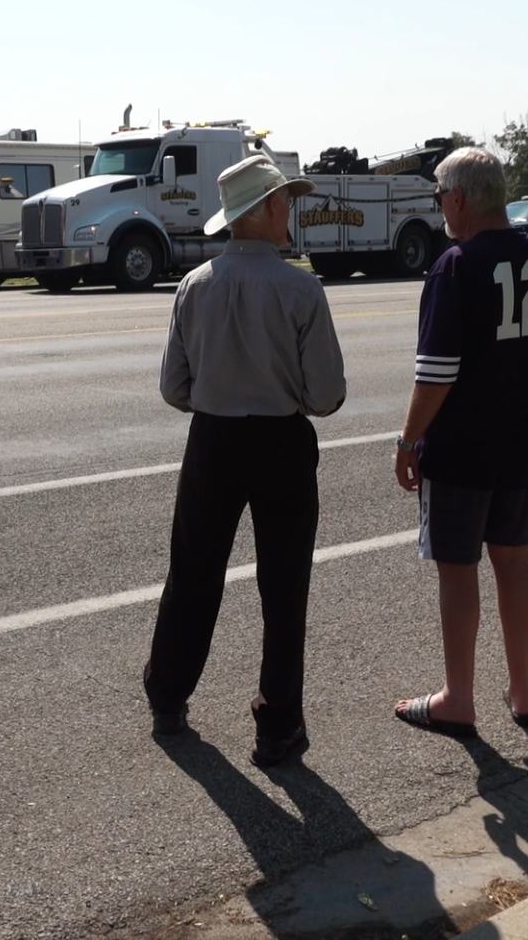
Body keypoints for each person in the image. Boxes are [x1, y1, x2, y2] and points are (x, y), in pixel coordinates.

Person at [144, 153, 347, 768]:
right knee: (284, 586)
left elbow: (173, 387)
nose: (291, 212)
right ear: (267, 209)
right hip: (281, 442)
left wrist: (218, 393)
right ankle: (277, 725)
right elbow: (326, 396)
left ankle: (168, 696)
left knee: (193, 572)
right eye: (287, 202)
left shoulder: (195, 285)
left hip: (212, 440)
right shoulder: (301, 288)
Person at [391, 147, 528, 738]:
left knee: (457, 568)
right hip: (518, 444)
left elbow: (436, 374)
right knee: (514, 562)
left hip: (461, 449)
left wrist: (407, 441)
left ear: (459, 198)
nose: (439, 207)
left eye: (439, 196)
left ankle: (458, 698)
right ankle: (524, 691)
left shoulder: (455, 265)